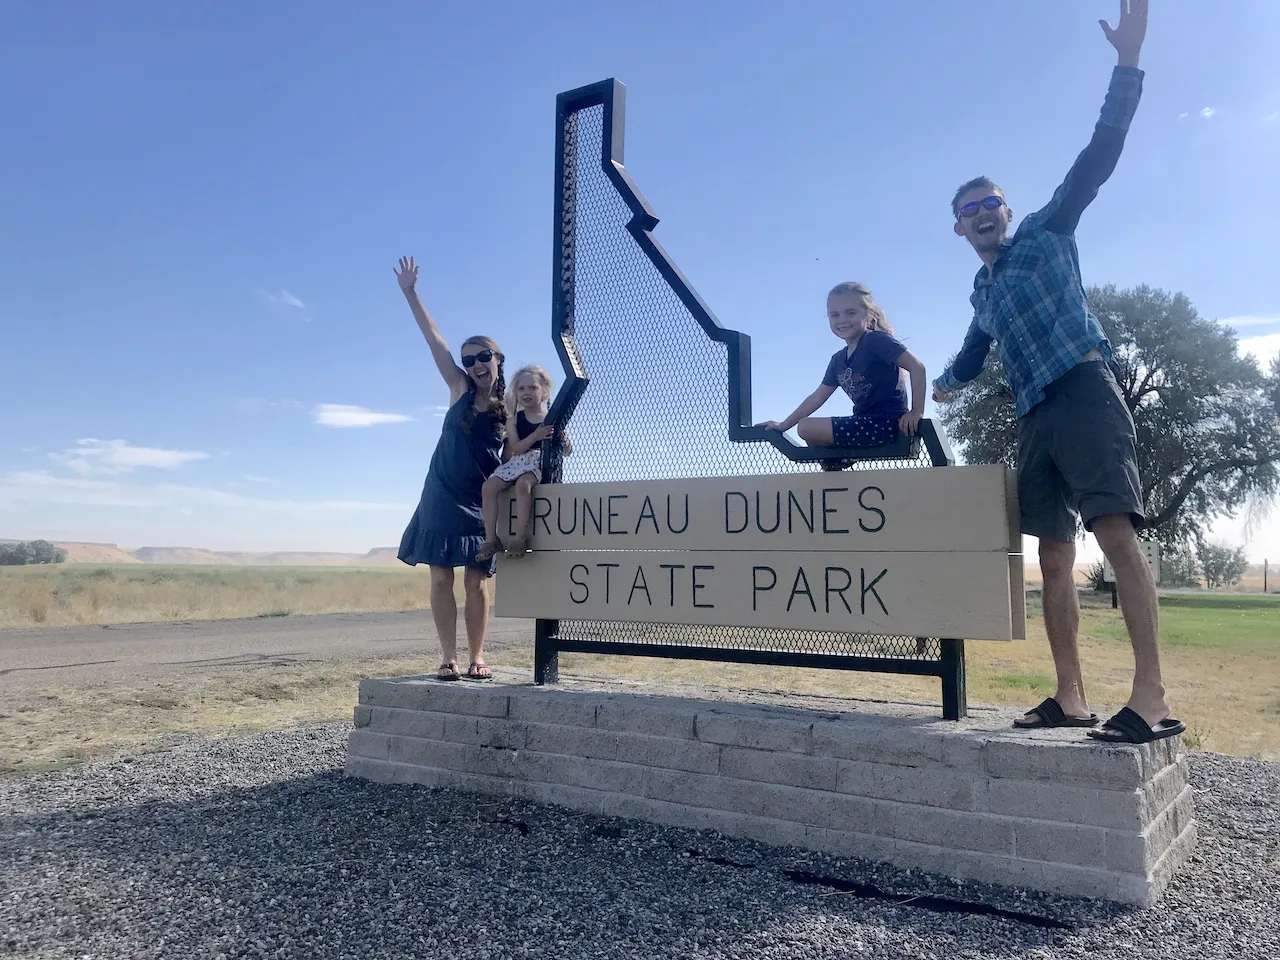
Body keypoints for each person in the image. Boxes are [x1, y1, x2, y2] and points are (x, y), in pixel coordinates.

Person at [931, 0, 1182, 743]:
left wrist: (1127, 65)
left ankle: (1153, 698)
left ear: (1006, 211)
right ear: (958, 226)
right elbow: (972, 355)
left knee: (1114, 528)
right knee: (1051, 550)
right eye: (970, 207)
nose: (983, 212)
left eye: (991, 202)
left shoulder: (1047, 230)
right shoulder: (981, 290)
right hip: (1035, 415)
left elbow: (1097, 157)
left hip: (1084, 386)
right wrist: (941, 385)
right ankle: (1070, 696)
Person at [393, 255, 505, 682]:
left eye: (483, 357)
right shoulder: (457, 388)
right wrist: (411, 292)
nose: (476, 364)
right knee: (441, 580)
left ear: (497, 359)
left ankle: (478, 656)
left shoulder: (508, 406)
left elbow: (523, 447)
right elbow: (433, 338)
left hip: (478, 504)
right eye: (470, 358)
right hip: (440, 497)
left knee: (476, 583)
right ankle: (448, 657)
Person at [757, 281, 927, 453]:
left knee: (806, 427)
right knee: (812, 434)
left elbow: (917, 367)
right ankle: (840, 462)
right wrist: (783, 425)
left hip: (887, 423)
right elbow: (816, 398)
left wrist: (916, 411)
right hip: (862, 423)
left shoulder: (875, 341)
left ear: (867, 313)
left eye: (850, 313)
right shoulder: (838, 360)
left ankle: (843, 457)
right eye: (834, 315)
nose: (842, 320)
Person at [477, 364, 572, 561]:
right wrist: (536, 435)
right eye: (521, 389)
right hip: (518, 460)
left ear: (544, 392)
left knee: (523, 485)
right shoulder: (514, 420)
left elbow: (567, 452)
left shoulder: (552, 419)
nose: (526, 392)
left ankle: (520, 538)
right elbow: (517, 448)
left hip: (538, 462)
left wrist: (563, 440)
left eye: (533, 388)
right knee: (488, 487)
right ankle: (491, 539)